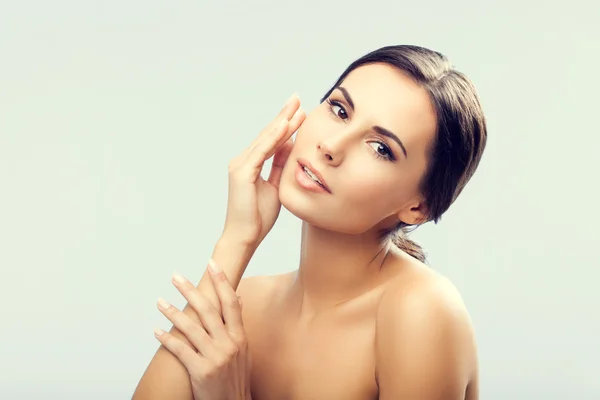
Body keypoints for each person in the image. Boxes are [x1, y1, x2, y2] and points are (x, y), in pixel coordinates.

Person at [133, 44, 487, 400]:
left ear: (418, 206)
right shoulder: (247, 303)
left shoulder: (421, 312)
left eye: (381, 147)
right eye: (339, 110)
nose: (332, 145)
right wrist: (237, 240)